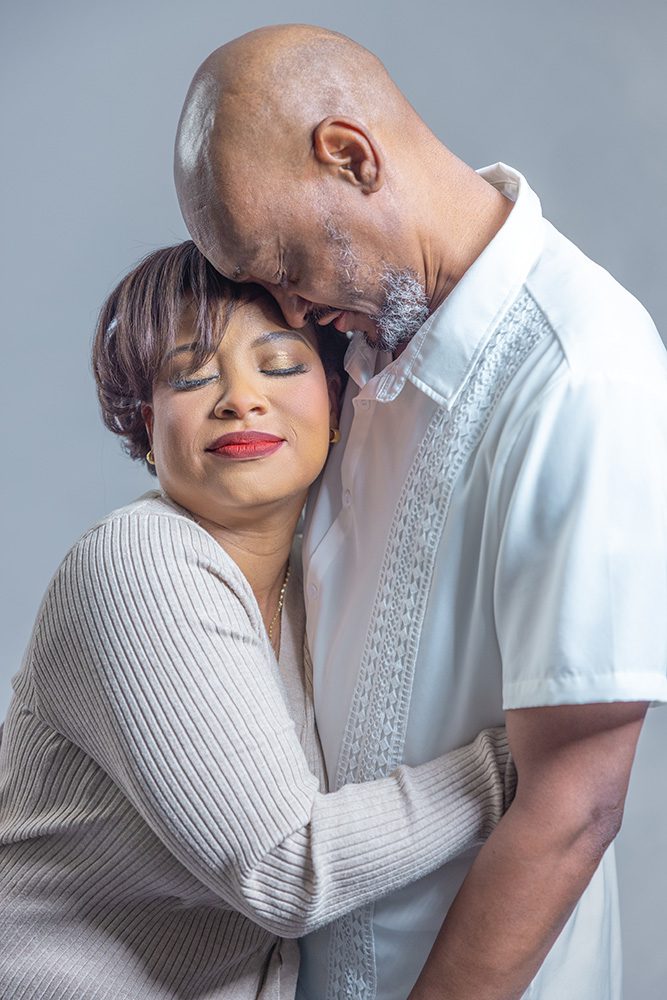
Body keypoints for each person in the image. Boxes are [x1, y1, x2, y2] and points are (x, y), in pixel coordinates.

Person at [173, 24, 667, 1000]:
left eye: (282, 262)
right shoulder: (350, 358)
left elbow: (573, 804)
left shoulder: (581, 370)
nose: (286, 308)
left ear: (352, 157)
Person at [0, 241, 515, 1000]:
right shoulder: (138, 562)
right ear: (147, 426)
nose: (239, 398)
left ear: (336, 407)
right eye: (193, 374)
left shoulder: (320, 581)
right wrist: (526, 759)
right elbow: (282, 866)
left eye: (278, 365)